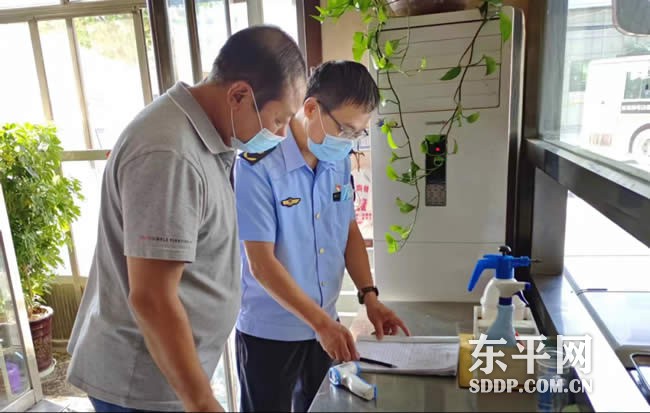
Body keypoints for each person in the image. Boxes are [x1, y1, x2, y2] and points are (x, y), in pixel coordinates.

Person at [66, 25, 306, 413]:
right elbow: (152, 297)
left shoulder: (206, 138)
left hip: (165, 372)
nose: (280, 134)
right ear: (240, 95)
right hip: (141, 382)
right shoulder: (169, 152)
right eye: (279, 120)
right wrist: (201, 400)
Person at [234, 60, 411, 412]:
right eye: (345, 129)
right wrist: (322, 324)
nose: (349, 142)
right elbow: (261, 264)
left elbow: (348, 230)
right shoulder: (256, 165)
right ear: (311, 107)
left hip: (325, 328)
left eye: (358, 134)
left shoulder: (336, 160)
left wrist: (369, 296)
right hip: (270, 335)